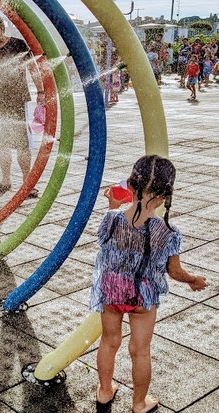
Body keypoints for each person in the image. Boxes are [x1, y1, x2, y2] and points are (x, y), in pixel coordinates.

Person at [90, 155, 207, 413]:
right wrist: (193, 280)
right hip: (142, 297)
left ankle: (105, 391)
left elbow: (108, 240)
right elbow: (174, 271)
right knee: (139, 351)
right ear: (167, 194)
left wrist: (113, 205)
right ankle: (139, 404)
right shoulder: (168, 231)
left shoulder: (111, 219)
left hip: (111, 291)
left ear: (130, 185)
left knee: (109, 342)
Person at [0, 15, 44, 196]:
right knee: (0, 143)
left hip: (16, 100)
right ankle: (5, 181)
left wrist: (41, 92)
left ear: (0, 29)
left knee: (22, 143)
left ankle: (27, 183)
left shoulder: (18, 45)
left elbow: (33, 68)